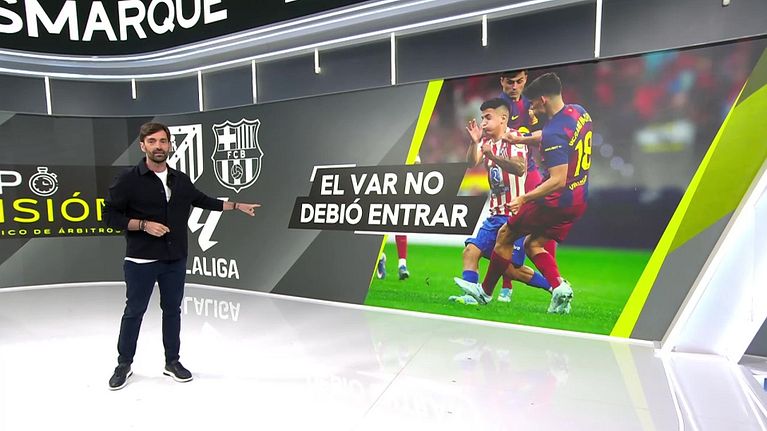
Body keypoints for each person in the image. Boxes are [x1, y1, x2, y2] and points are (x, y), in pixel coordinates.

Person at [104, 122, 261, 390]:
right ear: (142, 146)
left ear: (170, 145)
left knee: (172, 311)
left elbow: (203, 200)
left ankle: (172, 362)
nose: (158, 146)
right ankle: (124, 364)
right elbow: (109, 216)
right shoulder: (128, 179)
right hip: (141, 260)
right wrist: (143, 225)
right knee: (134, 312)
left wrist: (236, 205)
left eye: (163, 141)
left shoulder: (180, 179)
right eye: (152, 141)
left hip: (174, 258)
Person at [455, 73, 592, 314]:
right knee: (533, 244)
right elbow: (547, 136)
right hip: (579, 197)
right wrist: (522, 138)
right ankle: (558, 287)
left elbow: (556, 179)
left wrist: (524, 198)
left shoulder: (551, 133)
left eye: (534, 103)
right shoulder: (579, 113)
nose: (532, 109)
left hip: (556, 199)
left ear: (543, 99)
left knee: (507, 240)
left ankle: (486, 293)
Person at [450, 98, 552, 305]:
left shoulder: (515, 138)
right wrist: (474, 142)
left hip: (514, 217)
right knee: (470, 251)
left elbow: (520, 168)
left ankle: (555, 286)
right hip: (495, 215)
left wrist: (493, 157)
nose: (483, 122)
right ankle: (471, 297)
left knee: (511, 271)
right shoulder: (487, 143)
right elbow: (472, 162)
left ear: (503, 119)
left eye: (488, 118)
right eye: (482, 118)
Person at [499, 70, 558, 264]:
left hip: (529, 170)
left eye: (519, 81)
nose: (514, 87)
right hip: (508, 172)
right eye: (510, 82)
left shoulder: (532, 103)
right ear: (502, 81)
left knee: (546, 218)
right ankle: (509, 279)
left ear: (525, 79)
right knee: (508, 228)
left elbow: (547, 132)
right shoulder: (498, 107)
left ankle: (552, 273)